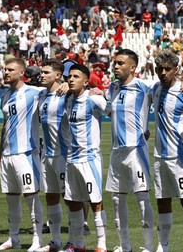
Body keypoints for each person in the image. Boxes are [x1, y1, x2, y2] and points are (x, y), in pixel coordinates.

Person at [0, 57, 46, 251]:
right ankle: (13, 239)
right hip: (7, 155)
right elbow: (5, 126)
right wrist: (0, 152)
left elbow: (57, 89)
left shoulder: (34, 92)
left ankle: (37, 240)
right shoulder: (5, 96)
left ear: (22, 73)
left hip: (26, 153)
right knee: (11, 198)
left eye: (10, 70)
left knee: (31, 196)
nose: (6, 72)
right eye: (5, 69)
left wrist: (66, 85)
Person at [104, 49, 154, 252]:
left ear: (133, 67)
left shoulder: (145, 87)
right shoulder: (112, 88)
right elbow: (109, 110)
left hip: (136, 150)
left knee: (142, 199)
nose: (116, 66)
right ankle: (125, 246)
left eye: (120, 63)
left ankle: (149, 247)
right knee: (117, 200)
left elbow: (170, 88)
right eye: (115, 63)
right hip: (117, 151)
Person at [151, 51, 183, 251]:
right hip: (159, 156)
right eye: (160, 69)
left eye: (168, 69)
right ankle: (163, 247)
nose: (163, 73)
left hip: (181, 157)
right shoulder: (154, 88)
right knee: (162, 201)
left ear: (176, 70)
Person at [63, 64, 108, 252]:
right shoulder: (68, 100)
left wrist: (104, 93)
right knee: (73, 201)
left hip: (90, 160)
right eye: (69, 76)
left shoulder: (93, 100)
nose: (71, 79)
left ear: (86, 81)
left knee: (95, 201)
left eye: (76, 76)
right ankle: (78, 244)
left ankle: (101, 245)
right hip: (71, 160)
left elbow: (114, 111)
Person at [37, 59, 71, 252]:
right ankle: (55, 241)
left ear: (58, 75)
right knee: (51, 197)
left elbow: (84, 90)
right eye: (41, 72)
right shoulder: (41, 95)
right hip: (46, 155)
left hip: (63, 154)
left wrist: (68, 85)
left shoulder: (66, 94)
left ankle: (74, 241)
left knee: (70, 198)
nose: (42, 75)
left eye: (46, 72)